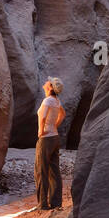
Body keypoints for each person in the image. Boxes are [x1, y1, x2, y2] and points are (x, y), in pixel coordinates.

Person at [35, 77, 65, 210]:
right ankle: (56, 203)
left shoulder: (47, 100)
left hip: (46, 138)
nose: (45, 82)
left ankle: (42, 204)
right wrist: (55, 126)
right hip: (55, 137)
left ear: (51, 87)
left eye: (48, 82)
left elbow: (42, 117)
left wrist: (41, 131)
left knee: (41, 170)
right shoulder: (56, 101)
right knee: (54, 170)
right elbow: (63, 114)